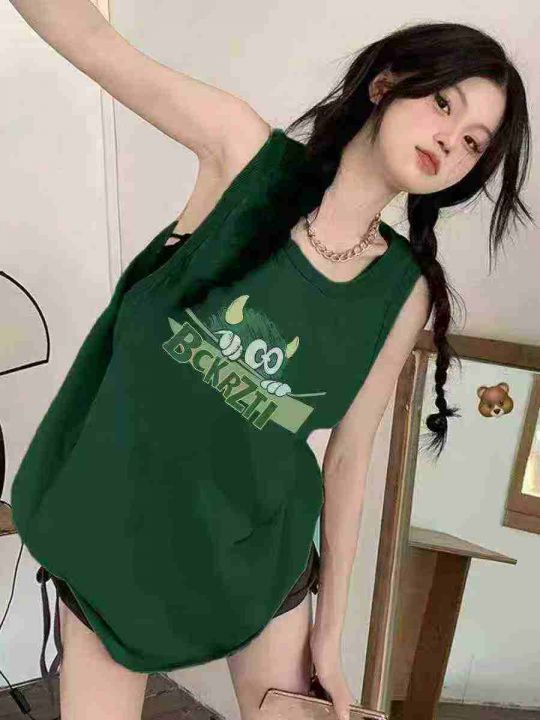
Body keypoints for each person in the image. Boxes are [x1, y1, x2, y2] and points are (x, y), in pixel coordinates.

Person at [7, 4, 533, 718]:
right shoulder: (241, 155)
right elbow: (93, 42)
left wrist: (329, 637)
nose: (451, 140)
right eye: (444, 102)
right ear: (385, 84)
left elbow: (348, 457)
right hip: (119, 542)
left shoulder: (402, 291)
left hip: (259, 558)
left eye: (474, 143)